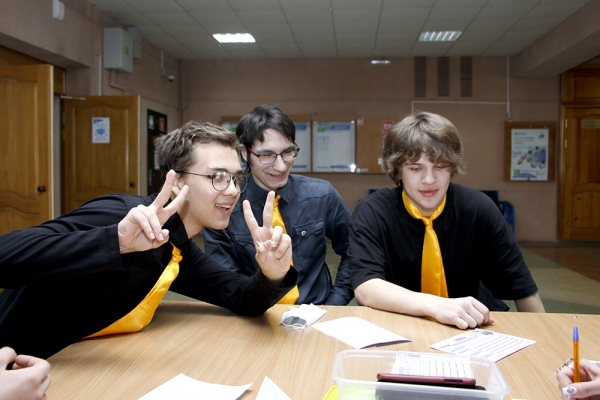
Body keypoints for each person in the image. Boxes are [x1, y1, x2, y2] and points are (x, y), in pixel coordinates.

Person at [0, 121, 297, 359]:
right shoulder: (122, 214)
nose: (232, 190)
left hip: (63, 365)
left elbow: (242, 296)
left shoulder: (176, 246)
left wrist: (274, 273)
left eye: (235, 178)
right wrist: (114, 241)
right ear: (177, 180)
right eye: (217, 176)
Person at [348, 111, 545, 329]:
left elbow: (523, 289)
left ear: (452, 167)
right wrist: (436, 306)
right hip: (397, 325)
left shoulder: (479, 209)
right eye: (416, 168)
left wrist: (547, 339)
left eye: (440, 167)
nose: (429, 179)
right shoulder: (373, 212)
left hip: (469, 328)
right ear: (398, 170)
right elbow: (366, 286)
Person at [204, 105, 353, 305]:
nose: (281, 166)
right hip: (253, 312)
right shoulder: (225, 204)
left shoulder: (322, 195)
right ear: (244, 153)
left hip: (317, 310)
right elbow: (226, 282)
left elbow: (354, 252)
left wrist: (334, 305)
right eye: (267, 155)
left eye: (288, 152)